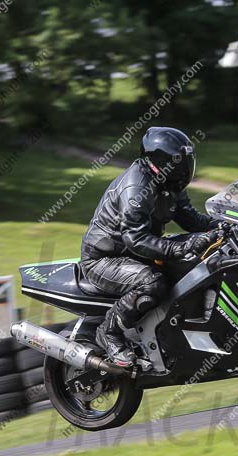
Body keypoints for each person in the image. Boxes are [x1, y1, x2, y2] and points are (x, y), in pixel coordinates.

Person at [80, 127, 220, 368]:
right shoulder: (136, 188)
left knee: (202, 258)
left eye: (187, 161)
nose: (186, 167)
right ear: (160, 162)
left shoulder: (169, 184)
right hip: (104, 259)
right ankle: (109, 332)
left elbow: (192, 220)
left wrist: (226, 224)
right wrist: (180, 247)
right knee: (152, 282)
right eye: (179, 162)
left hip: (135, 254)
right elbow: (134, 238)